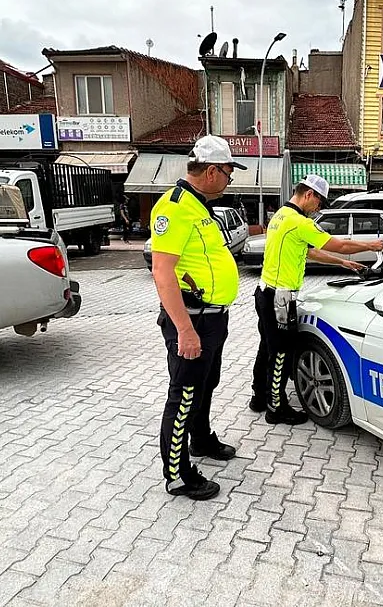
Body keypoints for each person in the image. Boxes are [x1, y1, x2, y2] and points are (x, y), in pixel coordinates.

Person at [149, 135, 243, 501]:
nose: (230, 179)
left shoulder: (199, 207)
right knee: (184, 395)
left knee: (206, 384)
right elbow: (163, 272)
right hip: (191, 321)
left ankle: (201, 440)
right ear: (212, 171)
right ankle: (178, 475)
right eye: (229, 172)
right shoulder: (174, 208)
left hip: (212, 318)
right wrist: (185, 331)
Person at [250, 174, 383, 424]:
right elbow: (339, 244)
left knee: (266, 348)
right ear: (309, 194)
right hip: (280, 298)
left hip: (264, 293)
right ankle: (275, 409)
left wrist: (342, 263)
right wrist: (371, 246)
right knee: (281, 353)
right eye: (319, 203)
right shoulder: (299, 221)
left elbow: (310, 251)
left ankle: (259, 397)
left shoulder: (280, 216)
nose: (318, 209)